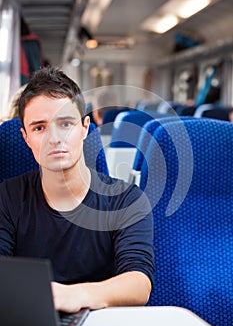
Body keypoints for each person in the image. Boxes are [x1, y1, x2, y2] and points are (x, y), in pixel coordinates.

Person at [0, 67, 154, 313]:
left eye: (65, 124)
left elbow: (138, 283)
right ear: (26, 137)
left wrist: (75, 295)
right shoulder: (7, 197)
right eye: (39, 128)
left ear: (84, 128)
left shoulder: (126, 199)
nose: (54, 138)